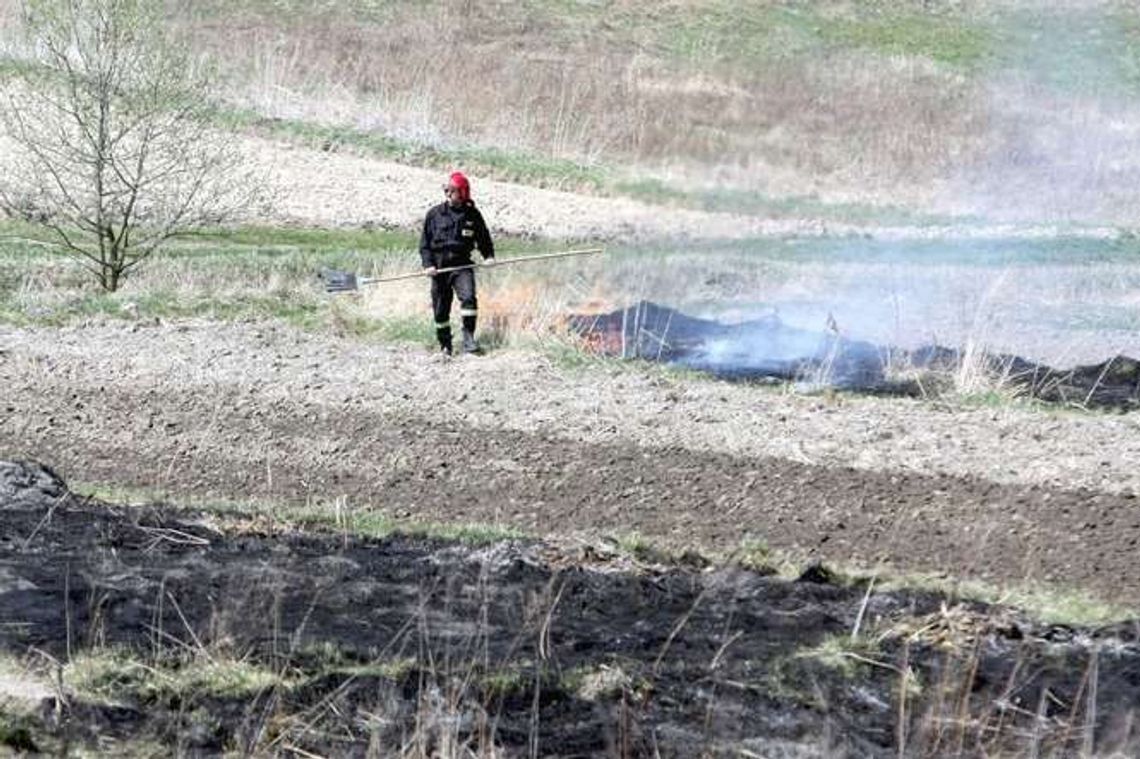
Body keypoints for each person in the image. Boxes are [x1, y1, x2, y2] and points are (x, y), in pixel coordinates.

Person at [419, 171, 495, 355]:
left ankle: (468, 338)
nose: (447, 193)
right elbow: (424, 245)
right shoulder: (434, 214)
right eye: (446, 189)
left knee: (469, 299)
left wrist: (489, 256)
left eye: (451, 190)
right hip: (439, 268)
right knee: (440, 310)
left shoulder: (472, 215)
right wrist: (428, 265)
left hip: (462, 266)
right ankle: (445, 345)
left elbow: (483, 238)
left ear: (462, 193)